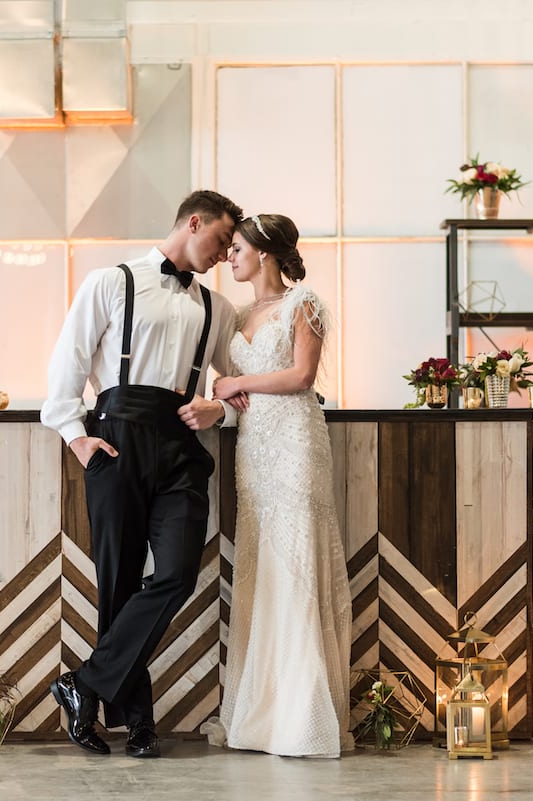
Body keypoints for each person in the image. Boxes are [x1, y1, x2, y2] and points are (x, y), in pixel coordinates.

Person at [41, 190, 245, 759]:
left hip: (182, 446)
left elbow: (240, 389)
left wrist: (218, 409)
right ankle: (137, 721)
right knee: (119, 584)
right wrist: (76, 436)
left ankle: (82, 684)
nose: (226, 253)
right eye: (221, 240)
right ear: (193, 222)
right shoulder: (111, 282)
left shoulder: (219, 310)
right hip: (117, 440)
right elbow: (68, 363)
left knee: (178, 572)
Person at [206, 213, 352, 758]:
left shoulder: (303, 304)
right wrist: (221, 390)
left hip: (294, 445)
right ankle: (262, 711)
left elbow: (300, 377)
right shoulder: (238, 314)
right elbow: (220, 381)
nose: (230, 256)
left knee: (295, 561)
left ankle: (302, 713)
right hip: (253, 449)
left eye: (237, 248)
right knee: (262, 564)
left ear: (264, 254)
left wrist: (237, 381)